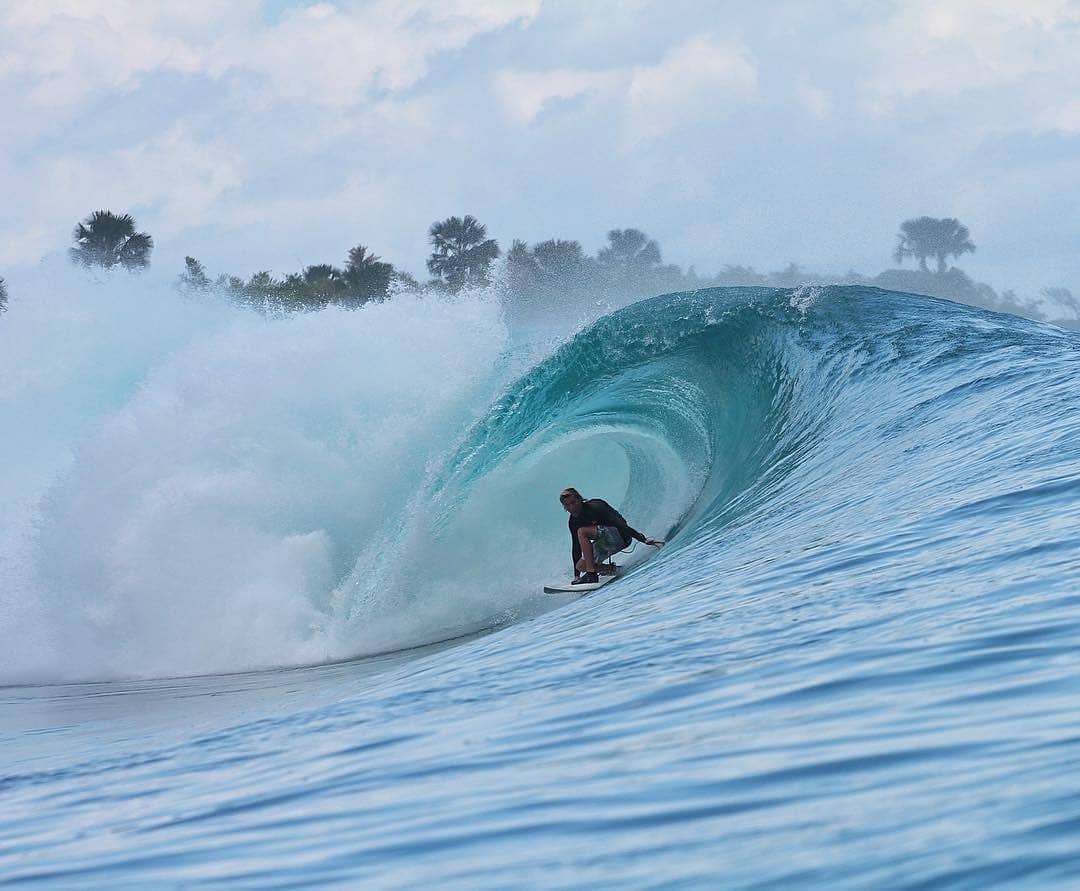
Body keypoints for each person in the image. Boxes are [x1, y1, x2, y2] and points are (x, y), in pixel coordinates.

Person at [559, 487, 663, 585]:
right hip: (606, 541)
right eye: (567, 505)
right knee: (581, 566)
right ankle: (613, 570)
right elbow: (576, 546)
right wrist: (576, 576)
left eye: (573, 502)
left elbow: (618, 523)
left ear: (580, 499)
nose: (572, 507)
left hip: (621, 535)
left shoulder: (595, 506)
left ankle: (592, 575)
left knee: (582, 532)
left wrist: (642, 539)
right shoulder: (573, 522)